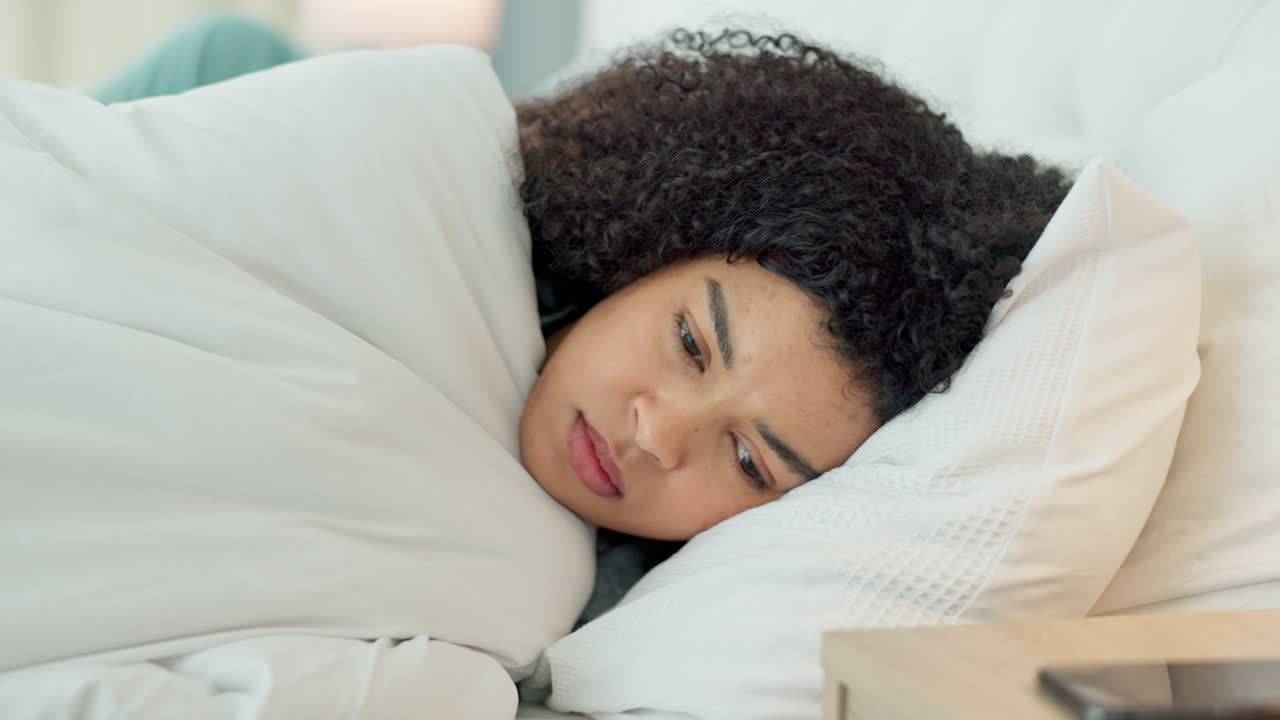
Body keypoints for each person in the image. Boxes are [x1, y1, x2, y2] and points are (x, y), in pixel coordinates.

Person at [90, 15, 1070, 544]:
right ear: (653, 247)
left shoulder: (583, 607)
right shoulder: (367, 155)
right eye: (689, 342)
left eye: (748, 463)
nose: (654, 432)